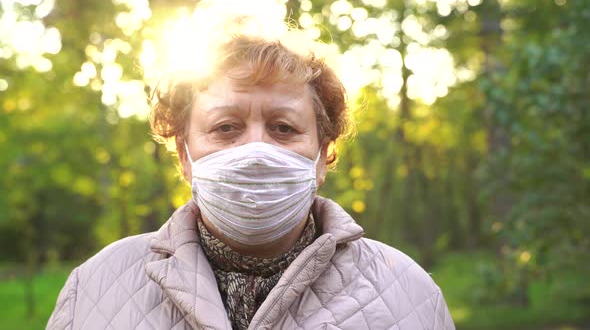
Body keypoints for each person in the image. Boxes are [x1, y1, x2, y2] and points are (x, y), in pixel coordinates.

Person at [47, 19, 455, 330]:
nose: (255, 151)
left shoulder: (409, 296)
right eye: (226, 128)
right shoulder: (96, 289)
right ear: (185, 156)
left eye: (284, 128)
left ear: (323, 156)